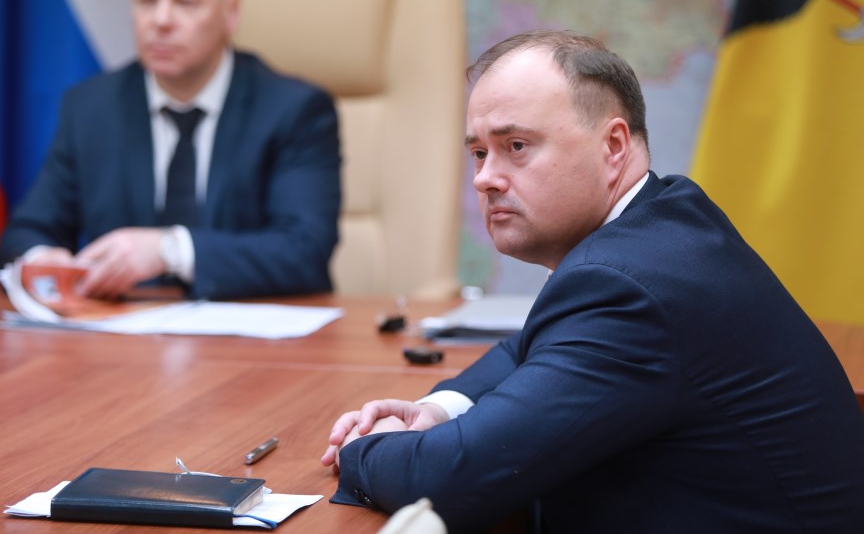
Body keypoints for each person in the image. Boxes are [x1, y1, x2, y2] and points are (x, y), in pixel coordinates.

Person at [321, 30, 864, 533]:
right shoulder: (664, 221)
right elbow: (528, 349)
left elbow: (446, 482)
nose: (485, 178)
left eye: (516, 146)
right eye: (479, 153)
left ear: (613, 146)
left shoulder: (627, 286)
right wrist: (441, 408)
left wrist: (364, 446)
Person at [0, 0, 341, 300]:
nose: (160, 21)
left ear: (231, 10)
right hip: (122, 326)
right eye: (147, 1)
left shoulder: (293, 110)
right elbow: (26, 232)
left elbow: (304, 250)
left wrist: (170, 251)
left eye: (185, 2)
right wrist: (44, 258)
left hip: (252, 329)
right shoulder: (91, 108)